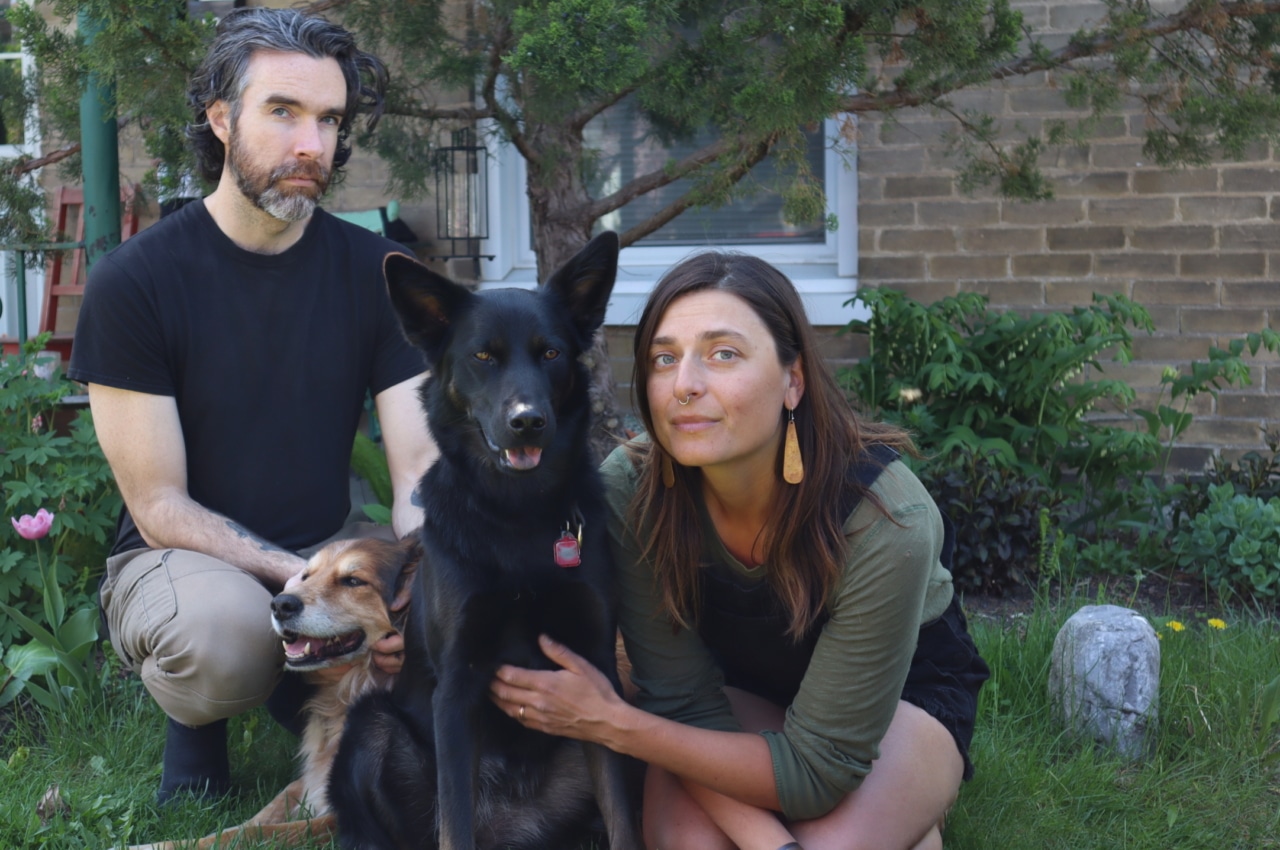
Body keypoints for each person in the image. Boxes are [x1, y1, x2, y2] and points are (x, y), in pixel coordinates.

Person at [490, 252, 990, 850]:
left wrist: (616, 724)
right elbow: (680, 698)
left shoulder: (887, 519)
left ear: (792, 381)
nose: (685, 385)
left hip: (891, 704)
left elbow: (817, 771)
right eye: (664, 358)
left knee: (828, 828)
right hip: (730, 693)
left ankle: (910, 805)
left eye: (723, 354)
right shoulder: (630, 489)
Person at [67, 8, 436, 803]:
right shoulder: (136, 284)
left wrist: (421, 587)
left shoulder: (378, 274)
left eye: (330, 119)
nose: (313, 145)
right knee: (226, 636)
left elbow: (417, 475)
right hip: (173, 561)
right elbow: (160, 504)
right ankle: (198, 728)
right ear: (221, 119)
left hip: (326, 553)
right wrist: (307, 587)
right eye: (283, 112)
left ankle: (312, 700)